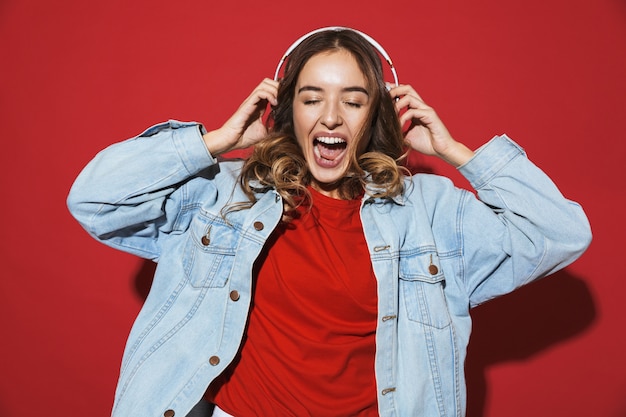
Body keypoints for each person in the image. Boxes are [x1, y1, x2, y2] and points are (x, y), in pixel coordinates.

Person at [67, 27, 591, 417]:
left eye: (354, 100)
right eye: (311, 97)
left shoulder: (431, 211)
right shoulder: (226, 192)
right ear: (287, 109)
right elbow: (94, 199)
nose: (331, 117)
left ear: (377, 115)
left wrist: (460, 154)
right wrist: (215, 141)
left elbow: (560, 234)